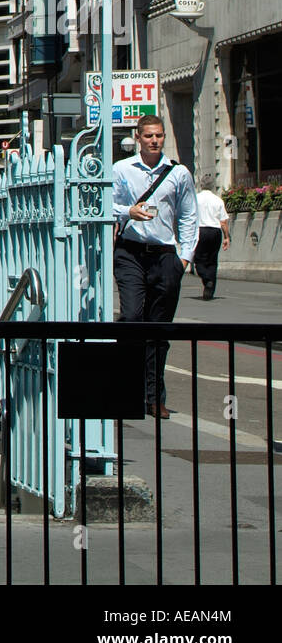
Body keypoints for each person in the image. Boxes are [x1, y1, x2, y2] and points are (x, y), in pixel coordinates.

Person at [112, 115, 198, 420]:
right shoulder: (122, 170)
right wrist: (128, 212)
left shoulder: (178, 173)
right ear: (138, 137)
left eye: (159, 136)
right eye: (148, 136)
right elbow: (103, 203)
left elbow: (189, 215)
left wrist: (184, 259)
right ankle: (127, 388)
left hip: (164, 256)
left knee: (159, 330)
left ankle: (154, 396)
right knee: (133, 318)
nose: (154, 141)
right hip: (130, 252)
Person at [193, 179, 231, 300]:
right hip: (215, 231)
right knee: (212, 260)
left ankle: (206, 278)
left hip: (201, 230)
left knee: (199, 260)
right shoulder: (218, 200)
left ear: (201, 185)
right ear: (213, 187)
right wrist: (226, 237)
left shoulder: (196, 198)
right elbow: (223, 221)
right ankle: (209, 289)